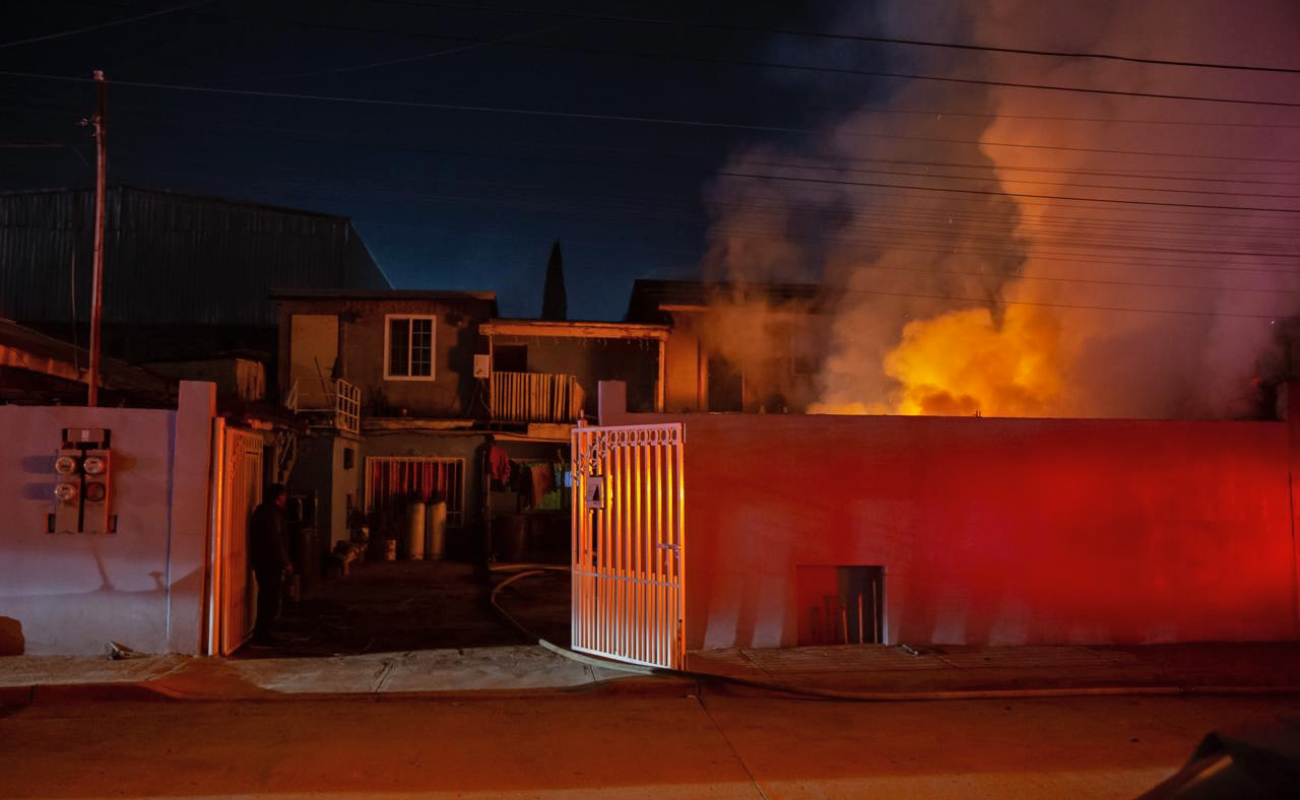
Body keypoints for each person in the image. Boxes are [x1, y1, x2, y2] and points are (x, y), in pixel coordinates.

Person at [249, 483, 293, 645]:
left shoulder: (263, 512)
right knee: (269, 598)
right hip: (269, 563)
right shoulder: (271, 514)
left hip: (263, 562)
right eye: (283, 495)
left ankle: (263, 632)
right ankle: (262, 634)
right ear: (278, 496)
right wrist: (285, 562)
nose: (285, 498)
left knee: (267, 597)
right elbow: (276, 540)